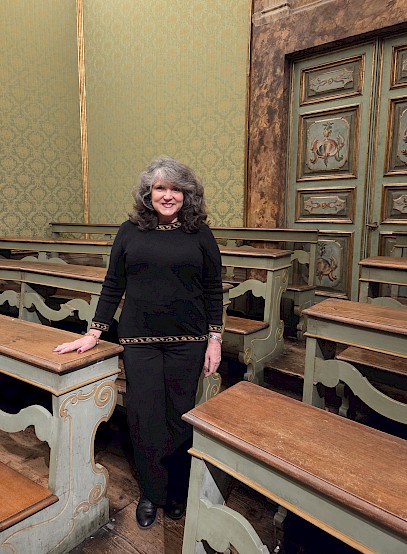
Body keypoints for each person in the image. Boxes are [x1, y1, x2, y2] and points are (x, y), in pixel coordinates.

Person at [53, 156, 223, 530]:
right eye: (160, 188)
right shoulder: (129, 231)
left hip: (188, 340)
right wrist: (94, 332)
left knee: (179, 416)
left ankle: (177, 491)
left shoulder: (200, 233)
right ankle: (152, 492)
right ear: (148, 193)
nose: (168, 195)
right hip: (139, 339)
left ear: (187, 194)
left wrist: (215, 339)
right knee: (144, 417)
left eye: (176, 189)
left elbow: (213, 288)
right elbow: (113, 284)